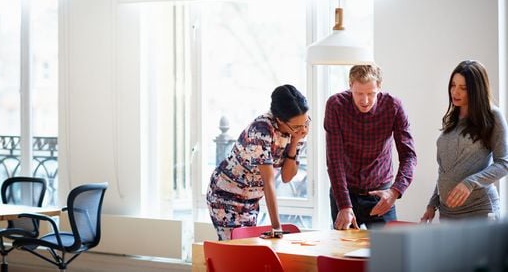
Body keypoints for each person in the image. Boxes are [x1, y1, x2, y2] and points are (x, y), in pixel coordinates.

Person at [206, 84, 309, 240]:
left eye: (305, 122)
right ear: (280, 120)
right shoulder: (261, 131)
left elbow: (287, 177)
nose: (303, 129)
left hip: (252, 199)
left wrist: (294, 142)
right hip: (226, 195)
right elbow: (269, 182)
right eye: (296, 127)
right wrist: (277, 228)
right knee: (237, 252)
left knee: (247, 251)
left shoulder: (299, 126)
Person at [324, 64, 417, 230]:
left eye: (371, 94)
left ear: (379, 87)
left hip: (381, 194)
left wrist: (395, 192)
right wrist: (344, 205)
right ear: (350, 85)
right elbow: (334, 160)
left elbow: (409, 156)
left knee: (388, 252)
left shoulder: (393, 107)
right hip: (345, 194)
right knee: (342, 252)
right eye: (359, 93)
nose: (365, 100)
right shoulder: (336, 105)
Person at [421, 60, 508, 222]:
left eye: (463, 88)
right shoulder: (452, 119)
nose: (455, 92)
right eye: (453, 85)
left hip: (480, 210)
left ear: (477, 90)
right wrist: (433, 203)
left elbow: (504, 163)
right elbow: (444, 170)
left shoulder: (493, 116)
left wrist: (470, 182)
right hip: (448, 213)